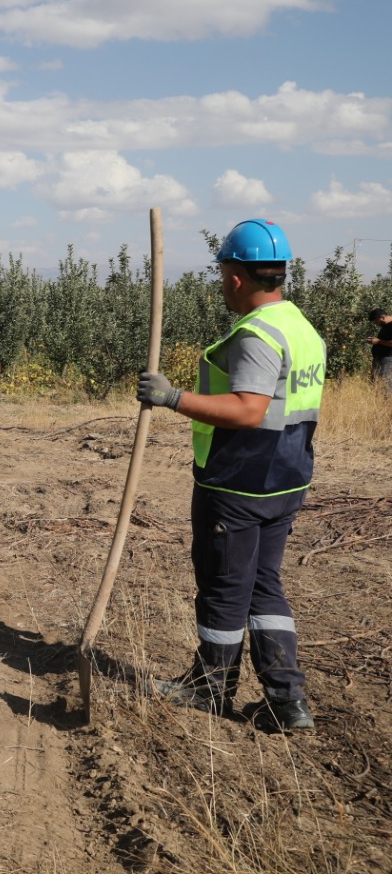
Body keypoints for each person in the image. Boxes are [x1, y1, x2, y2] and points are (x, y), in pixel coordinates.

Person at [136, 219, 325, 733]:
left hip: (241, 482)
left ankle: (209, 690)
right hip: (286, 478)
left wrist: (171, 397)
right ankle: (288, 701)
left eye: (222, 273)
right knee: (264, 585)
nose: (221, 283)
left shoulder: (258, 335)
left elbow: (247, 409)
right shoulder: (300, 328)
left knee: (224, 587)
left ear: (237, 276)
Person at [368, 306, 392, 391]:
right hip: (380, 359)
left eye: (376, 322)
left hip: (387, 360)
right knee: (375, 385)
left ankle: (385, 403)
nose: (376, 324)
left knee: (385, 386)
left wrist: (378, 341)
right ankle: (377, 403)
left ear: (382, 317)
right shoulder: (385, 325)